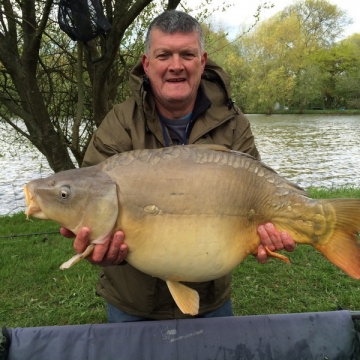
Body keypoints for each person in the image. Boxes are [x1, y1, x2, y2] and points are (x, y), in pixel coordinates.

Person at [61, 10, 295, 322]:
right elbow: (87, 196)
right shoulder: (118, 123)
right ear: (147, 63)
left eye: (187, 54)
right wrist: (93, 242)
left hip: (211, 297)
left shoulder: (234, 124)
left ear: (202, 60)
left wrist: (267, 233)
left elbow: (260, 200)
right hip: (132, 303)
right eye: (164, 55)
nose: (176, 65)